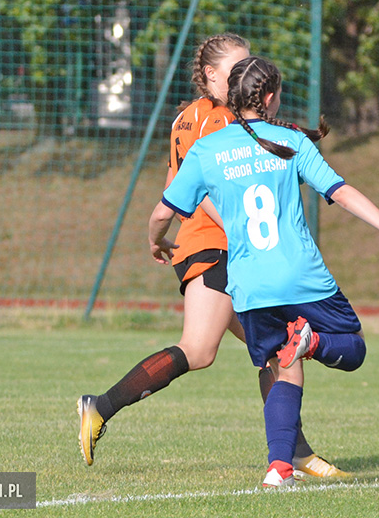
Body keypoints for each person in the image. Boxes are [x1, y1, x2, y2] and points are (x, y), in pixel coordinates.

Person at [148, 55, 379, 487]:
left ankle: (279, 468)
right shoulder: (291, 141)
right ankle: (312, 340)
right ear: (270, 97)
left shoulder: (208, 150)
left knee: (283, 362)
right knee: (352, 348)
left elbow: (163, 212)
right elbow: (342, 191)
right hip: (300, 276)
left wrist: (156, 240)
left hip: (249, 286)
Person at [78, 34, 346, 479]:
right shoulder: (216, 122)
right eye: (234, 70)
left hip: (214, 245)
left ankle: (293, 452)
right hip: (214, 246)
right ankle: (99, 407)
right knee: (202, 349)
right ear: (209, 76)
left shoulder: (190, 117)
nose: (244, 77)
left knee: (278, 347)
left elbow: (174, 179)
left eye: (249, 68)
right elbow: (198, 192)